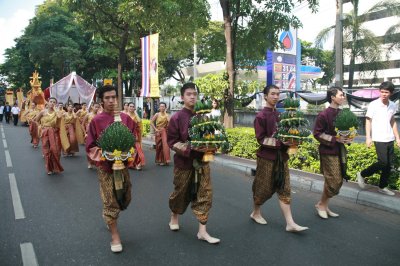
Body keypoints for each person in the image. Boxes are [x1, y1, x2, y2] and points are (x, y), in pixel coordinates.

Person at [86, 85, 139, 253]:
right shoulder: (96, 121)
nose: (111, 101)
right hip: (106, 168)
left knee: (125, 197)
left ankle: (110, 217)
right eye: (107, 98)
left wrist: (130, 153)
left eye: (114, 97)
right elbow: (90, 146)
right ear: (101, 100)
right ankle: (115, 236)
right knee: (110, 201)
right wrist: (104, 155)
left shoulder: (126, 119)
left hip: (122, 167)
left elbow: (134, 141)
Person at [167, 82, 220, 244]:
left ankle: (202, 231)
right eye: (189, 94)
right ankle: (174, 216)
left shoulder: (204, 117)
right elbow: (172, 141)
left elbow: (213, 136)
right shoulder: (176, 117)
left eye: (194, 94)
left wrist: (212, 147)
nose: (192, 96)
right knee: (180, 193)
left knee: (205, 194)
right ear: (182, 97)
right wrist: (190, 148)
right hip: (184, 164)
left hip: (203, 163)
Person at [250, 84, 308, 232]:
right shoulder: (261, 116)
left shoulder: (282, 115)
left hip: (282, 158)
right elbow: (261, 139)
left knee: (285, 188)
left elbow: (288, 134)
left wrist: (294, 140)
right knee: (262, 188)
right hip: (266, 158)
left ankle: (290, 223)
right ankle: (256, 212)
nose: (276, 97)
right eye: (273, 94)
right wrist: (280, 142)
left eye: (278, 94)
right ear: (265, 96)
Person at [357, 81, 400, 196]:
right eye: (382, 92)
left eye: (386, 92)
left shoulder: (393, 105)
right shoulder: (374, 104)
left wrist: (397, 137)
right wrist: (368, 137)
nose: (384, 94)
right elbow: (368, 121)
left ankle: (382, 186)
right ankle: (362, 174)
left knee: (388, 164)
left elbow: (392, 121)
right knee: (382, 162)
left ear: (391, 93)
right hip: (379, 138)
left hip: (390, 137)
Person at [313, 87, 351, 219]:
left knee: (332, 180)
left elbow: (346, 130)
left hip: (340, 150)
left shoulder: (343, 113)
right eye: (341, 95)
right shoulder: (323, 114)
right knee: (335, 181)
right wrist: (336, 139)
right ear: (332, 97)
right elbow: (317, 134)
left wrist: (348, 137)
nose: (343, 97)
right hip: (328, 151)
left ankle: (323, 205)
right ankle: (322, 205)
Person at [35, 97, 64, 175]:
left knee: (56, 150)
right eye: (50, 101)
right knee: (47, 151)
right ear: (48, 102)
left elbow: (59, 119)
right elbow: (36, 121)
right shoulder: (43, 112)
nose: (52, 103)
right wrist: (40, 127)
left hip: (54, 132)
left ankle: (55, 167)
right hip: (45, 132)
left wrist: (57, 110)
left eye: (54, 102)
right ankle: (49, 168)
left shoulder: (57, 112)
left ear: (56, 104)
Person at [127, 102, 146, 170]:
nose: (131, 108)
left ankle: (138, 163)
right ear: (128, 107)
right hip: (127, 135)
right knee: (130, 150)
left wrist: (136, 113)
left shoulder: (136, 116)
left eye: (133, 106)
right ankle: (131, 164)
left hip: (135, 135)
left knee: (138, 149)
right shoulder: (125, 115)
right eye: (130, 106)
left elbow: (139, 124)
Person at [83, 102, 101, 169]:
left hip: (97, 134)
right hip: (89, 134)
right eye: (95, 107)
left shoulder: (99, 115)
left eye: (98, 107)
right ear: (92, 107)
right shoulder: (88, 115)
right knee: (89, 148)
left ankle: (96, 162)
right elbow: (82, 124)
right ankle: (89, 162)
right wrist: (85, 133)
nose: (96, 108)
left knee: (97, 148)